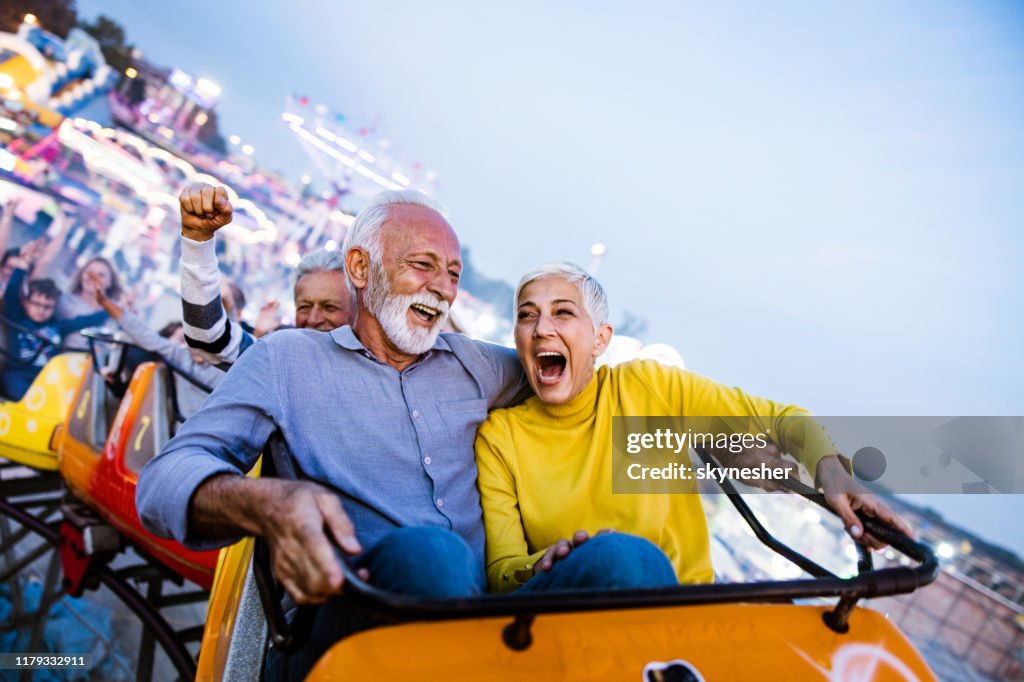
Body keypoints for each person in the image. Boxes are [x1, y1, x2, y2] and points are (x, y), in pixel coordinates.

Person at [136, 188, 530, 680]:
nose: (444, 289)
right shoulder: (286, 360)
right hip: (347, 623)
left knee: (626, 561)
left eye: (452, 274)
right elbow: (162, 482)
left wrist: (651, 460)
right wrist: (267, 503)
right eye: (424, 265)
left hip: (493, 624)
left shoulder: (477, 364)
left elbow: (582, 385)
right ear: (362, 269)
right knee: (432, 554)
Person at [475, 262, 911, 594]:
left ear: (601, 340)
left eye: (562, 313)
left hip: (685, 609)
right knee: (619, 558)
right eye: (527, 315)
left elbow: (785, 421)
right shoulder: (500, 438)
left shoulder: (649, 388)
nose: (541, 328)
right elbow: (502, 572)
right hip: (565, 617)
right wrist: (546, 564)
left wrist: (832, 475)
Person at [175, 183, 355, 365]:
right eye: (304, 307)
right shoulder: (280, 364)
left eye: (329, 307)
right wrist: (197, 239)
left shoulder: (371, 379)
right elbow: (208, 339)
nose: (313, 319)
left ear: (355, 313)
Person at [89, 272, 226, 419]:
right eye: (190, 332)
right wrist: (104, 302)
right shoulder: (181, 356)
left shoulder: (224, 366)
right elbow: (144, 334)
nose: (191, 339)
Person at [0, 267, 107, 399]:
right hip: (20, 373)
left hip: (50, 376)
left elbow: (83, 321)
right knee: (20, 390)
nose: (41, 310)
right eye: (36, 304)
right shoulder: (18, 319)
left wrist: (110, 310)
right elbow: (10, 296)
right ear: (26, 303)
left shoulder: (57, 327)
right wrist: (21, 268)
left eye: (47, 306)